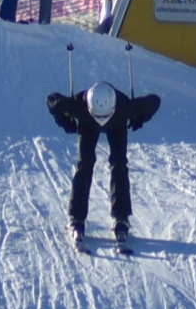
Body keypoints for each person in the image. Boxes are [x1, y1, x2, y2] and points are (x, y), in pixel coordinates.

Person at [46, 80, 161, 251]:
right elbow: (52, 101)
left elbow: (154, 102)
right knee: (85, 162)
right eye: (98, 116)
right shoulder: (79, 106)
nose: (102, 121)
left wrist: (140, 119)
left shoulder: (124, 108)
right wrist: (65, 122)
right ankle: (76, 219)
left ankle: (121, 218)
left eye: (104, 117)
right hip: (87, 121)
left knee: (119, 163)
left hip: (117, 121)